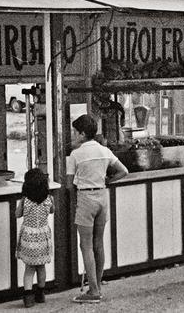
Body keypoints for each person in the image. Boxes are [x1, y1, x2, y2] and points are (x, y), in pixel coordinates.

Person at [65, 115, 129, 304]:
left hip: (85, 198)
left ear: (83, 134)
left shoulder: (75, 155)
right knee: (98, 243)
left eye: (75, 132)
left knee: (85, 245)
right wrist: (108, 181)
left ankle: (93, 291)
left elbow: (69, 185)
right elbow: (124, 171)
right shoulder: (104, 151)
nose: (74, 135)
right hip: (102, 196)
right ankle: (97, 285)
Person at [16, 168, 53, 307]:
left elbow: (17, 214)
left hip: (29, 237)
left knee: (29, 269)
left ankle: (28, 298)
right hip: (43, 237)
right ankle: (41, 294)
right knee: (41, 267)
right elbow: (52, 211)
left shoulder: (25, 200)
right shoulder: (49, 199)